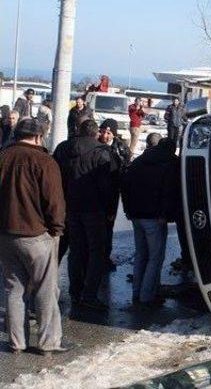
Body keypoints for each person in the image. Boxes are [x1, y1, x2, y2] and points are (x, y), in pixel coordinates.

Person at [0, 119, 68, 355]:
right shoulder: (44, 161)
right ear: (39, 137)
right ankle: (48, 342)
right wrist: (56, 228)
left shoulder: (3, 157)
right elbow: (54, 201)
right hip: (37, 234)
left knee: (13, 290)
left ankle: (16, 342)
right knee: (45, 290)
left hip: (6, 234)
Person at [54, 120, 114, 310]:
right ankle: (89, 295)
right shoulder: (102, 152)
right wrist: (109, 210)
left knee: (76, 249)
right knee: (97, 252)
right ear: (96, 133)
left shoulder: (63, 148)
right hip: (94, 209)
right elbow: (107, 185)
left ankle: (75, 290)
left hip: (69, 206)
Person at [121, 137, 179, 308]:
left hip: (136, 216)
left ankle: (137, 292)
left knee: (141, 255)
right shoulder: (167, 164)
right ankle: (148, 296)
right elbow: (168, 192)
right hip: (154, 217)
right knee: (155, 257)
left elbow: (125, 185)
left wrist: (128, 210)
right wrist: (165, 214)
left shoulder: (140, 160)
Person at [98, 119, 132, 271]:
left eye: (109, 133)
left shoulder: (120, 148)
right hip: (95, 195)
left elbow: (124, 171)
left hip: (111, 194)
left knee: (107, 228)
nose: (105, 136)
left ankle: (105, 258)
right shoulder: (94, 146)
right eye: (103, 132)